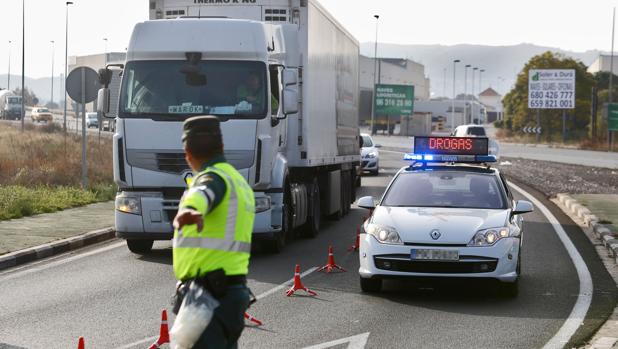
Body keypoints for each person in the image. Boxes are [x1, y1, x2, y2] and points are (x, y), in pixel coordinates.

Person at [173, 115, 255, 348]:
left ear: (187, 152)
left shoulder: (212, 178)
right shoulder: (238, 182)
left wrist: (189, 209)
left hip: (209, 297)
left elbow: (203, 192)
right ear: (221, 146)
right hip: (230, 292)